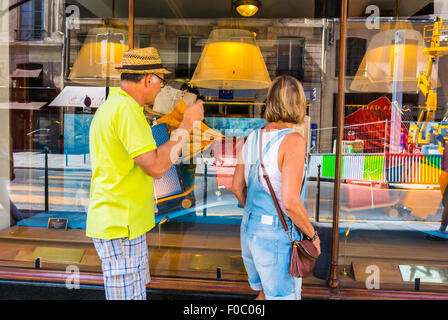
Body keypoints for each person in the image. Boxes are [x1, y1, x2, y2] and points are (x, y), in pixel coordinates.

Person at [86, 47, 204, 300]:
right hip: (121, 226)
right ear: (149, 78)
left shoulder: (116, 106)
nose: (162, 88)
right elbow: (157, 167)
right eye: (161, 81)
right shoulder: (127, 111)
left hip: (125, 223)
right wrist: (186, 124)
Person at [231, 75, 320, 300]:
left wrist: (259, 216)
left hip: (249, 231)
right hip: (276, 237)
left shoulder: (251, 138)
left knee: (264, 294)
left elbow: (236, 187)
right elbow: (290, 202)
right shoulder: (293, 141)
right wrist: (312, 235)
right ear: (299, 104)